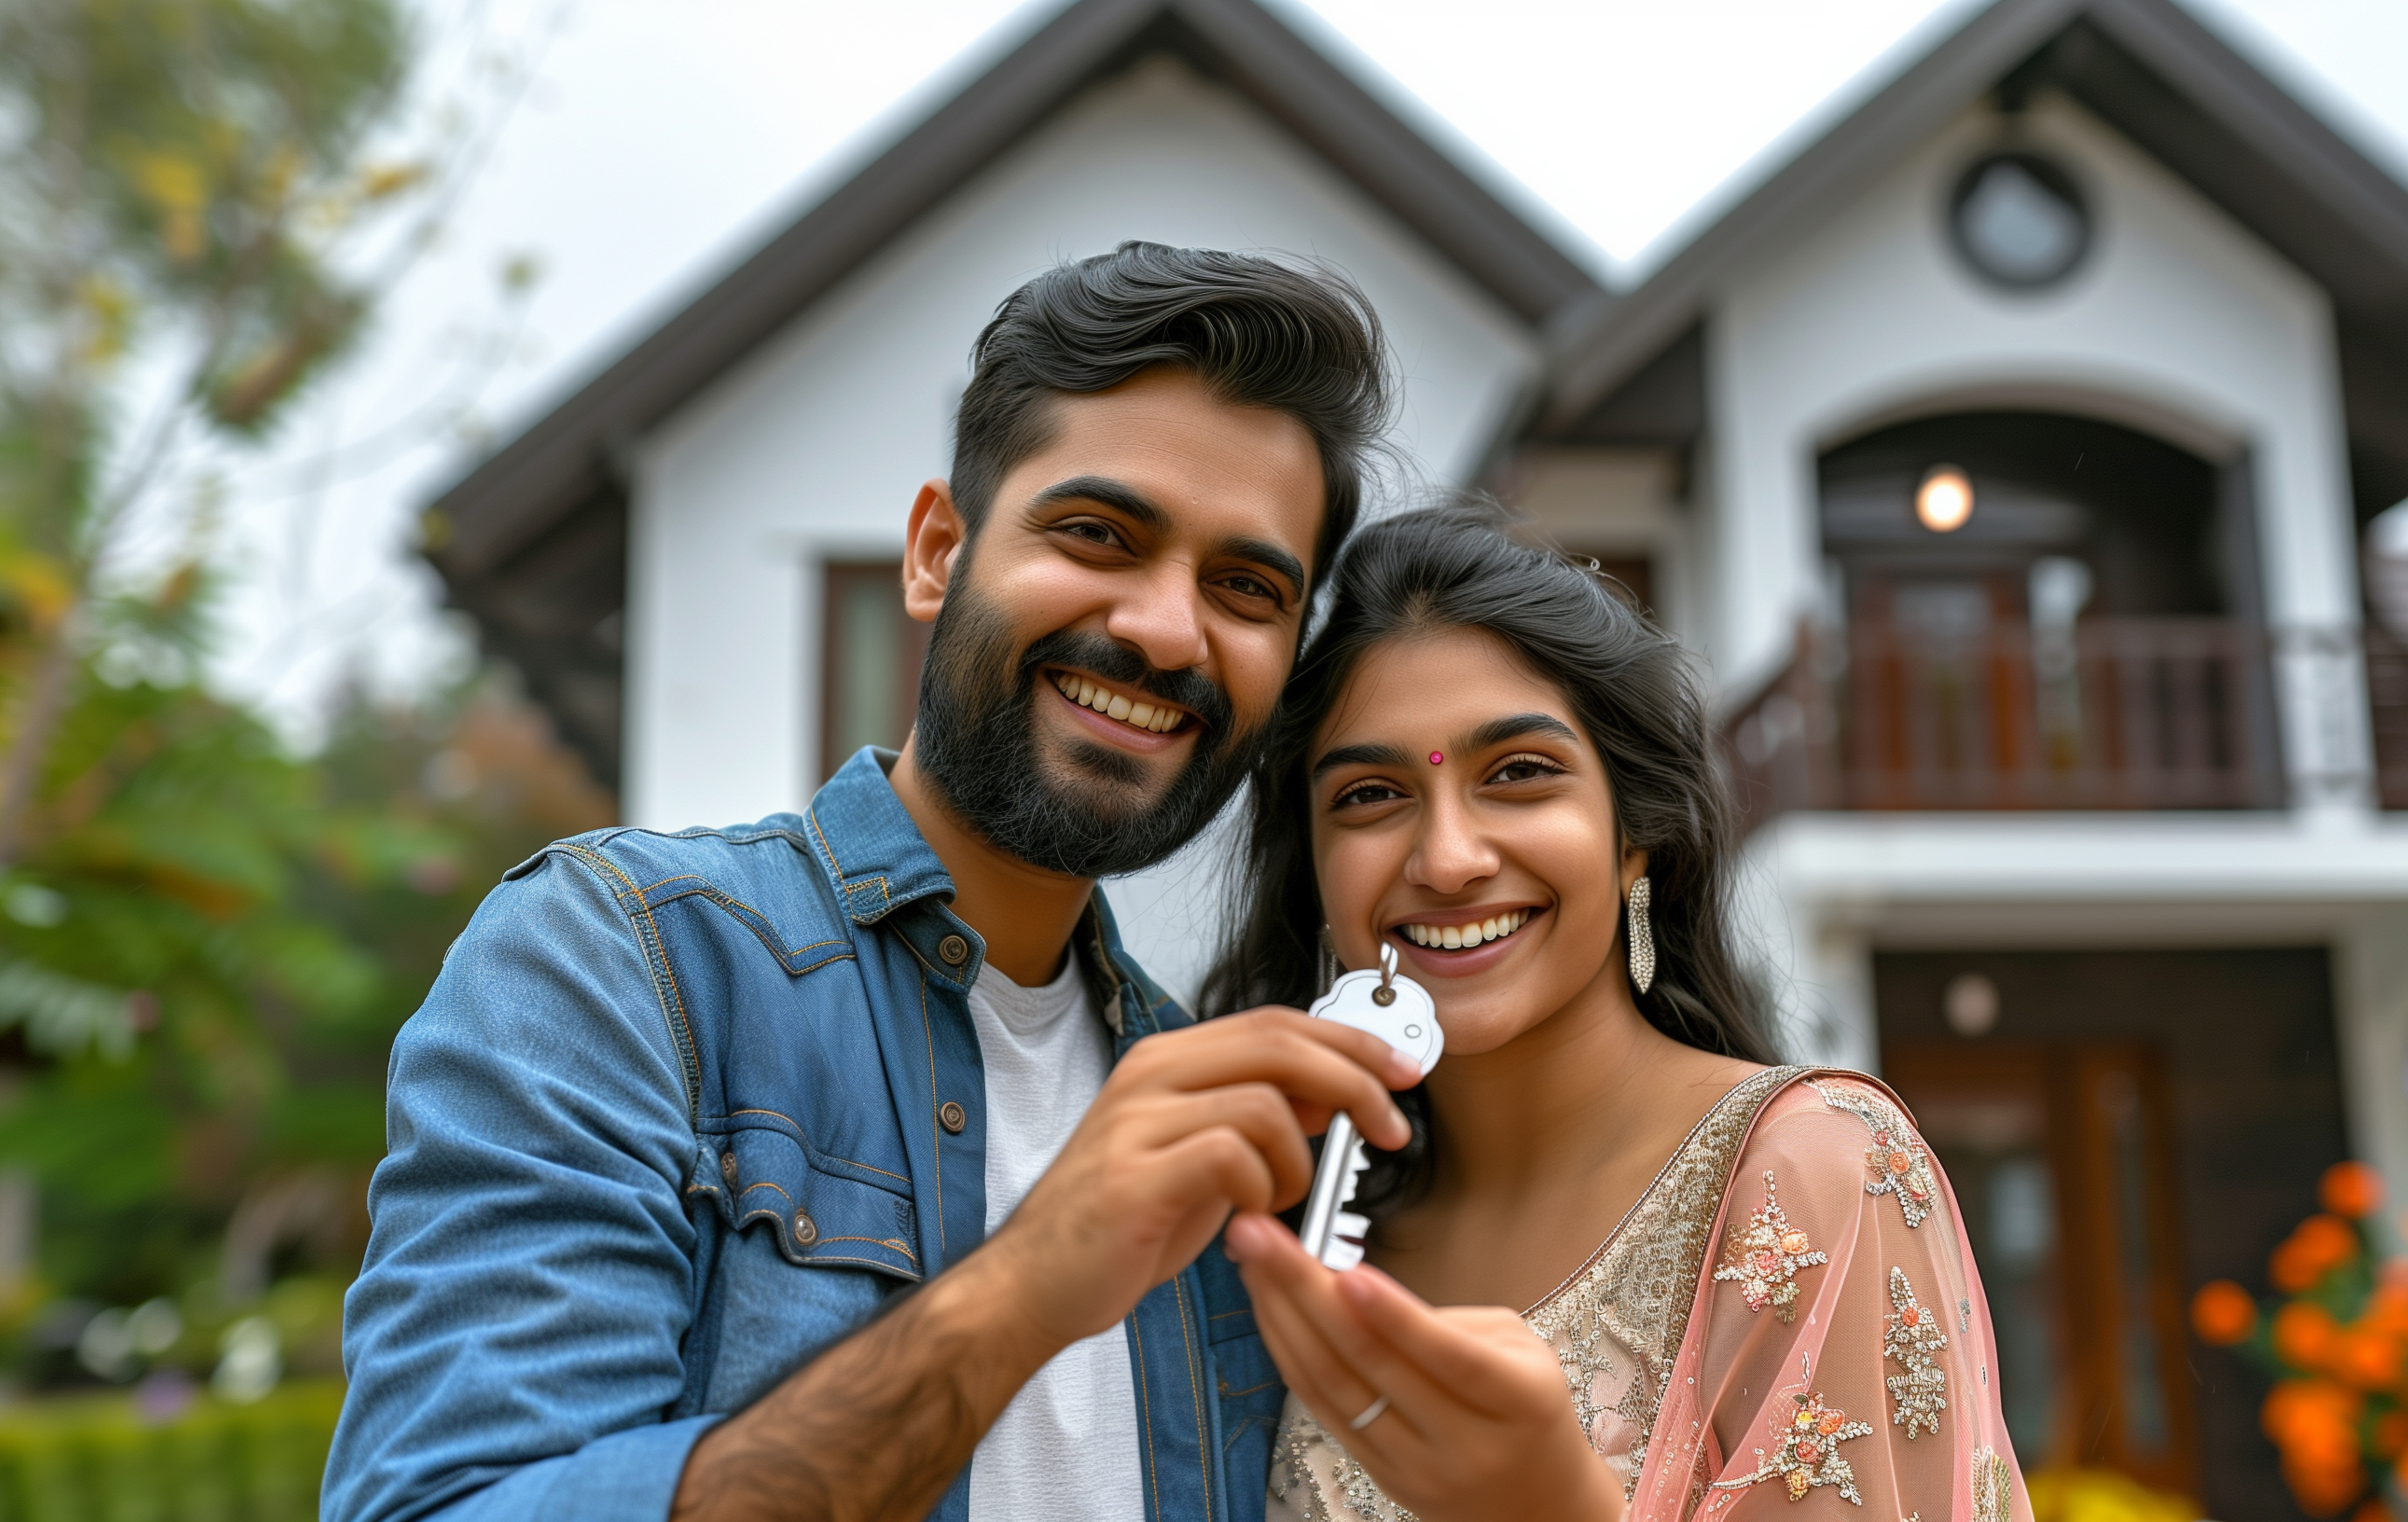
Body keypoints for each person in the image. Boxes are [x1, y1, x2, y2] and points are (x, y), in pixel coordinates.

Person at [324, 243, 1427, 1522]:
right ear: (935, 554)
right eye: (1096, 533)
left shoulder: (1242, 1133)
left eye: (1245, 588)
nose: (1167, 629)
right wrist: (1022, 1293)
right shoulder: (616, 964)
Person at [1203, 507, 2032, 1522]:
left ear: (1635, 835)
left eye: (1517, 774)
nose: (1447, 859)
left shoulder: (1813, 1174)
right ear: (1317, 878)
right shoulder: (1316, 1221)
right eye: (1371, 796)